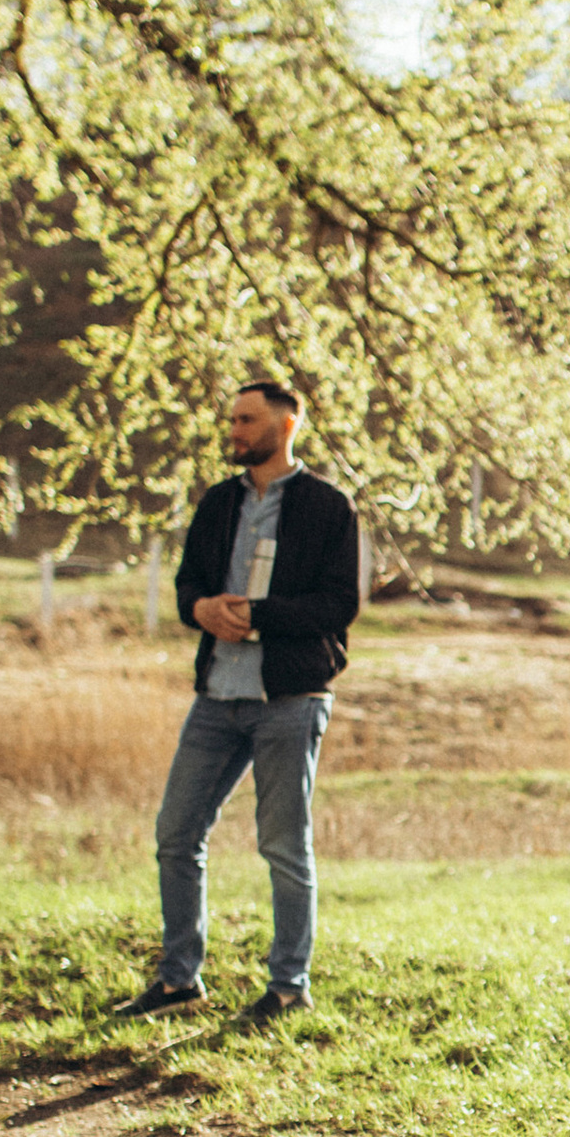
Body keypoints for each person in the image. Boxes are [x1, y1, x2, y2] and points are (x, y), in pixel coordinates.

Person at [112, 380, 361, 1027]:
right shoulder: (218, 504)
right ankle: (178, 980)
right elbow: (187, 583)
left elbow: (340, 607)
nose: (235, 431)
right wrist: (200, 608)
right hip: (217, 694)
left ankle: (288, 987)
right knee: (176, 833)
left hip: (289, 699)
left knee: (282, 845)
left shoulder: (328, 508)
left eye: (247, 421)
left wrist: (259, 616)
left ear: (286, 426)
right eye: (233, 421)